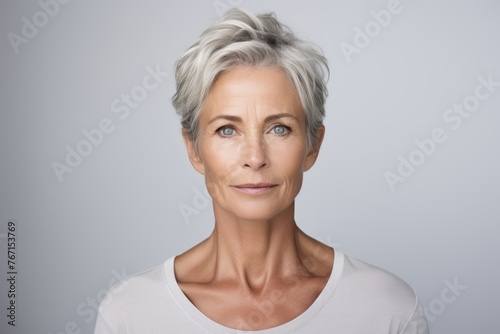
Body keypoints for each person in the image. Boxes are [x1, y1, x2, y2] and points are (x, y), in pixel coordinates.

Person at [94, 8, 430, 333]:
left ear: (312, 146)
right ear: (194, 150)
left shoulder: (387, 309)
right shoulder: (132, 312)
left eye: (279, 129)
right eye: (227, 129)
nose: (255, 158)